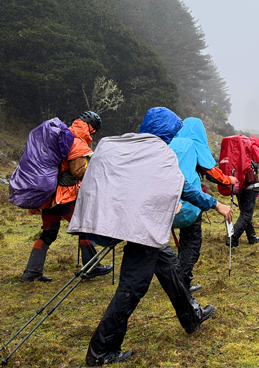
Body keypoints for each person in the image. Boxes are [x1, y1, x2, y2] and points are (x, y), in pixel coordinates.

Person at [78, 107, 234, 366]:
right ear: (167, 131)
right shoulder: (159, 153)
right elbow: (183, 187)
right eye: (172, 132)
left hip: (137, 223)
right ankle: (101, 351)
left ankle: (191, 317)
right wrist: (215, 204)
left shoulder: (135, 147)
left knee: (170, 266)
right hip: (143, 230)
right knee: (132, 288)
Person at [21, 111, 113, 283]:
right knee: (85, 227)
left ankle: (31, 272)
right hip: (65, 196)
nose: (94, 135)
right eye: (94, 131)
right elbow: (78, 171)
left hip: (49, 195)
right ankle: (92, 267)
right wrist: (97, 175)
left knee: (49, 233)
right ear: (91, 128)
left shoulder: (63, 135)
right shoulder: (76, 140)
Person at [170, 118, 235, 293]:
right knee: (191, 242)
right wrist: (229, 180)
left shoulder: (168, 143)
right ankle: (182, 283)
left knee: (163, 246)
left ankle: (173, 276)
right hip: (190, 203)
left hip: (166, 205)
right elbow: (211, 173)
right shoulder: (194, 145)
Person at [226, 136, 259, 248]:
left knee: (245, 212)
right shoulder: (253, 149)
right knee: (246, 214)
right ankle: (232, 238)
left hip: (238, 185)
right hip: (251, 187)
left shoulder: (239, 149)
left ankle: (252, 237)